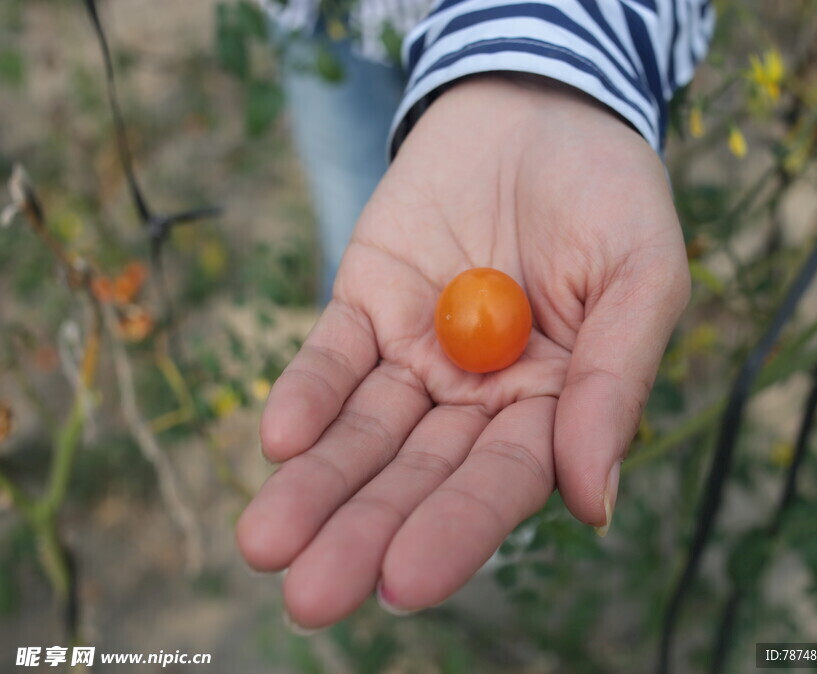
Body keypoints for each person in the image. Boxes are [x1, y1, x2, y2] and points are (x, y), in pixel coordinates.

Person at [237, 0, 715, 631]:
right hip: (323, 18)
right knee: (360, 229)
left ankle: (485, 522)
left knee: (377, 234)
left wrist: (546, 59)